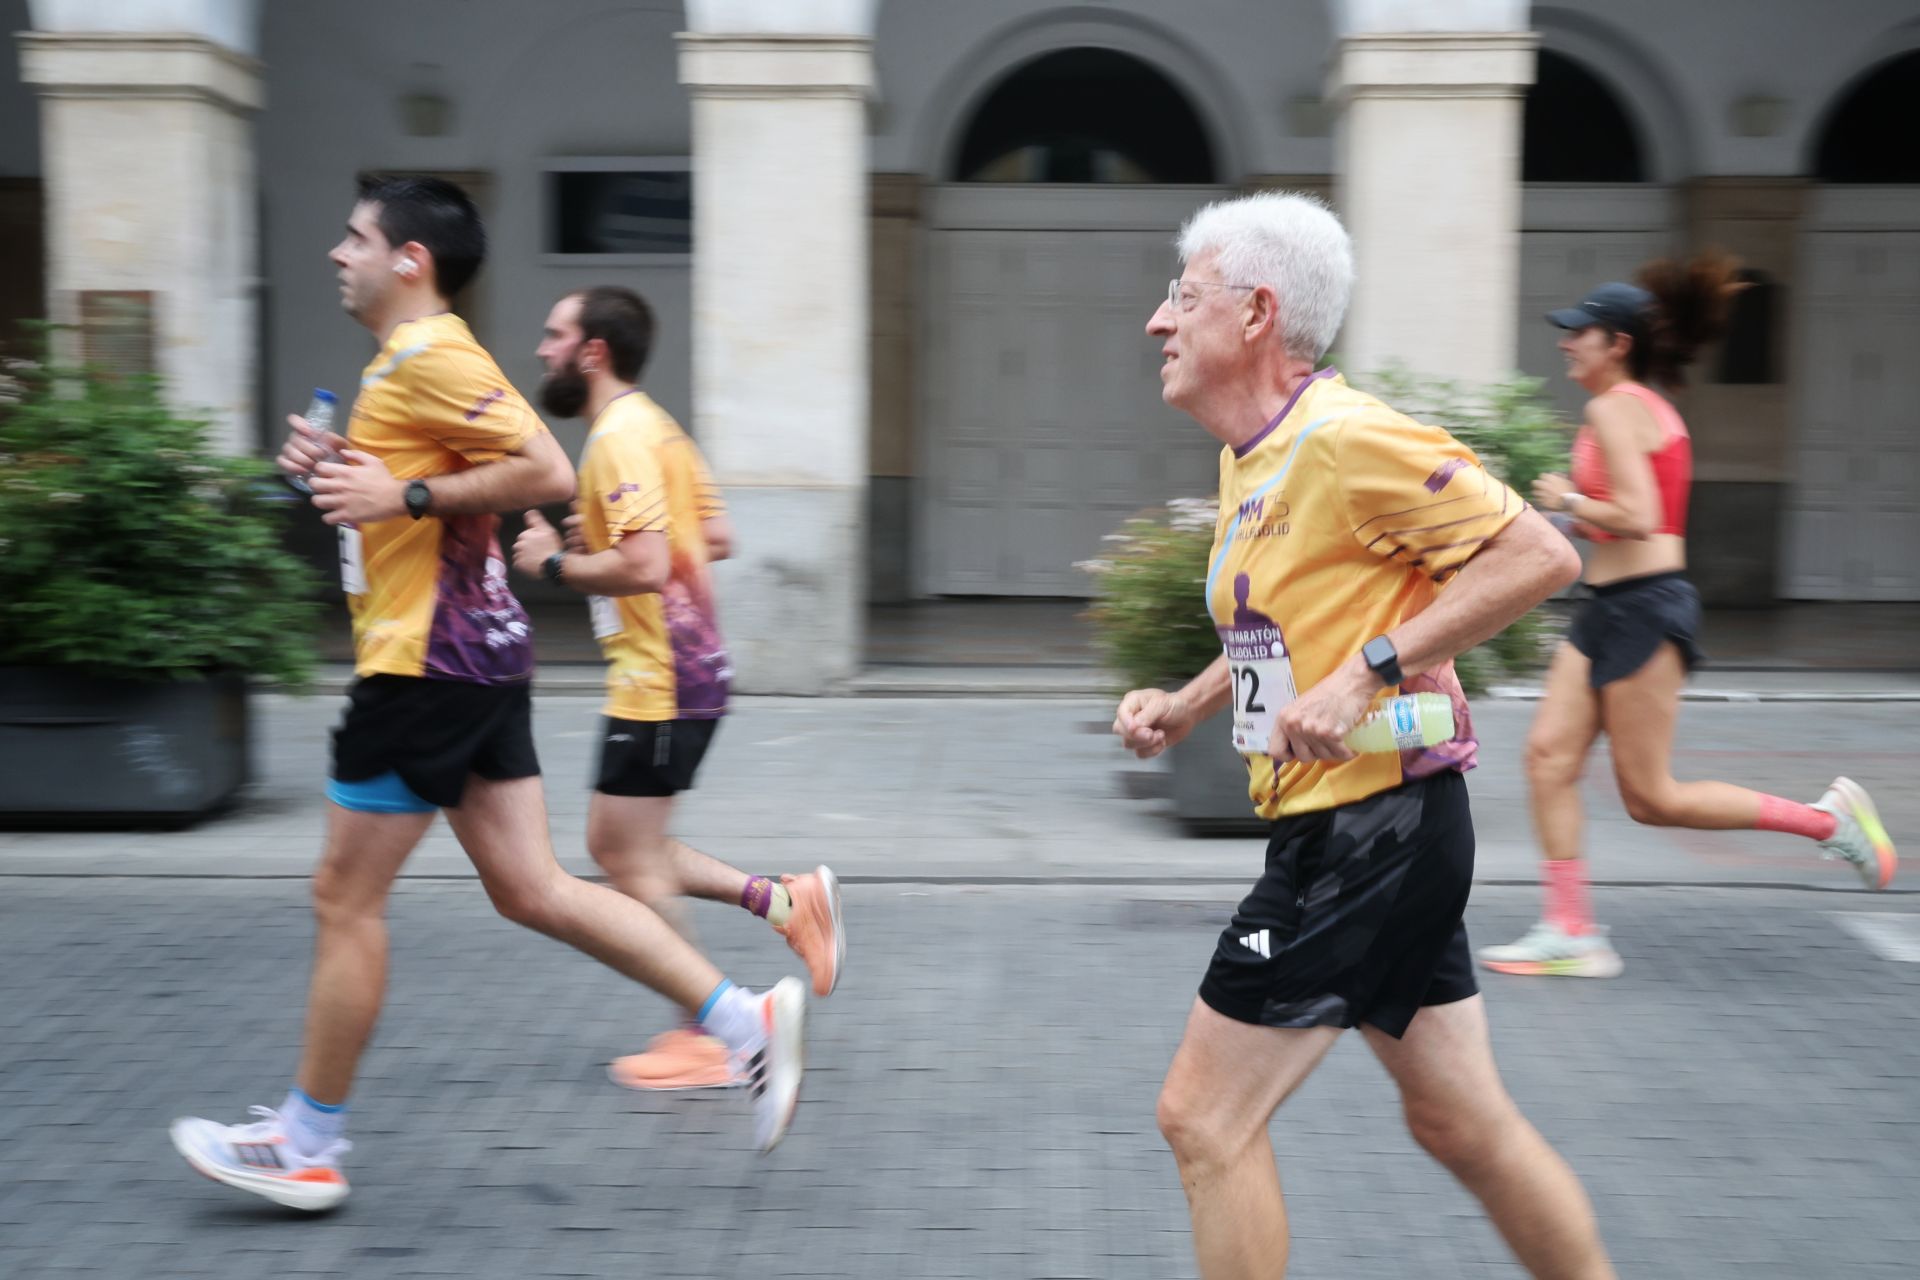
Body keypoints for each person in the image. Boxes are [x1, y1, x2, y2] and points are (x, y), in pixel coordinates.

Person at [168, 178, 805, 1214]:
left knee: (345, 898)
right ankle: (744, 1021)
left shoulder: (433, 354)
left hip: (428, 666)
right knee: (533, 887)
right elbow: (420, 493)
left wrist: (403, 491)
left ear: (410, 258)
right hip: (474, 656)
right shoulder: (406, 364)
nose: (338, 252)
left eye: (356, 236)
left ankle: (306, 1140)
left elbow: (542, 465)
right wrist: (339, 470)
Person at [1115, 191, 1614, 1279]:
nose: (1158, 321)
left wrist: (1367, 673)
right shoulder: (1261, 451)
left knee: (1204, 1118)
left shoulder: (1347, 437)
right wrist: (1189, 703)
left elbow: (1541, 555)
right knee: (1461, 1126)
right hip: (1370, 824)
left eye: (1182, 296)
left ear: (1255, 313)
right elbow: (1289, 624)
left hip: (1369, 829)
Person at [1477, 261, 1896, 980]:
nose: (1565, 343)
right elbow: (1635, 522)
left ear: (1618, 343)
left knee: (1652, 798)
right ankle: (1571, 931)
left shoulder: (1618, 408)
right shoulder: (1633, 407)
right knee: (1547, 758)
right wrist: (1549, 518)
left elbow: (1641, 518)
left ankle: (1829, 822)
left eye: (1579, 333)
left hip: (1645, 608)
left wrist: (1569, 502)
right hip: (1607, 607)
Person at [512, 285, 844, 1090]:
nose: (542, 350)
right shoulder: (654, 425)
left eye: (555, 336)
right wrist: (610, 543)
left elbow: (649, 564)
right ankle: (783, 904)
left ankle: (710, 1031)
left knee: (621, 853)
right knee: (628, 848)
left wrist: (555, 564)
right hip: (682, 671)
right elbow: (714, 535)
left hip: (658, 679)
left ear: (594, 351)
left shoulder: (618, 439)